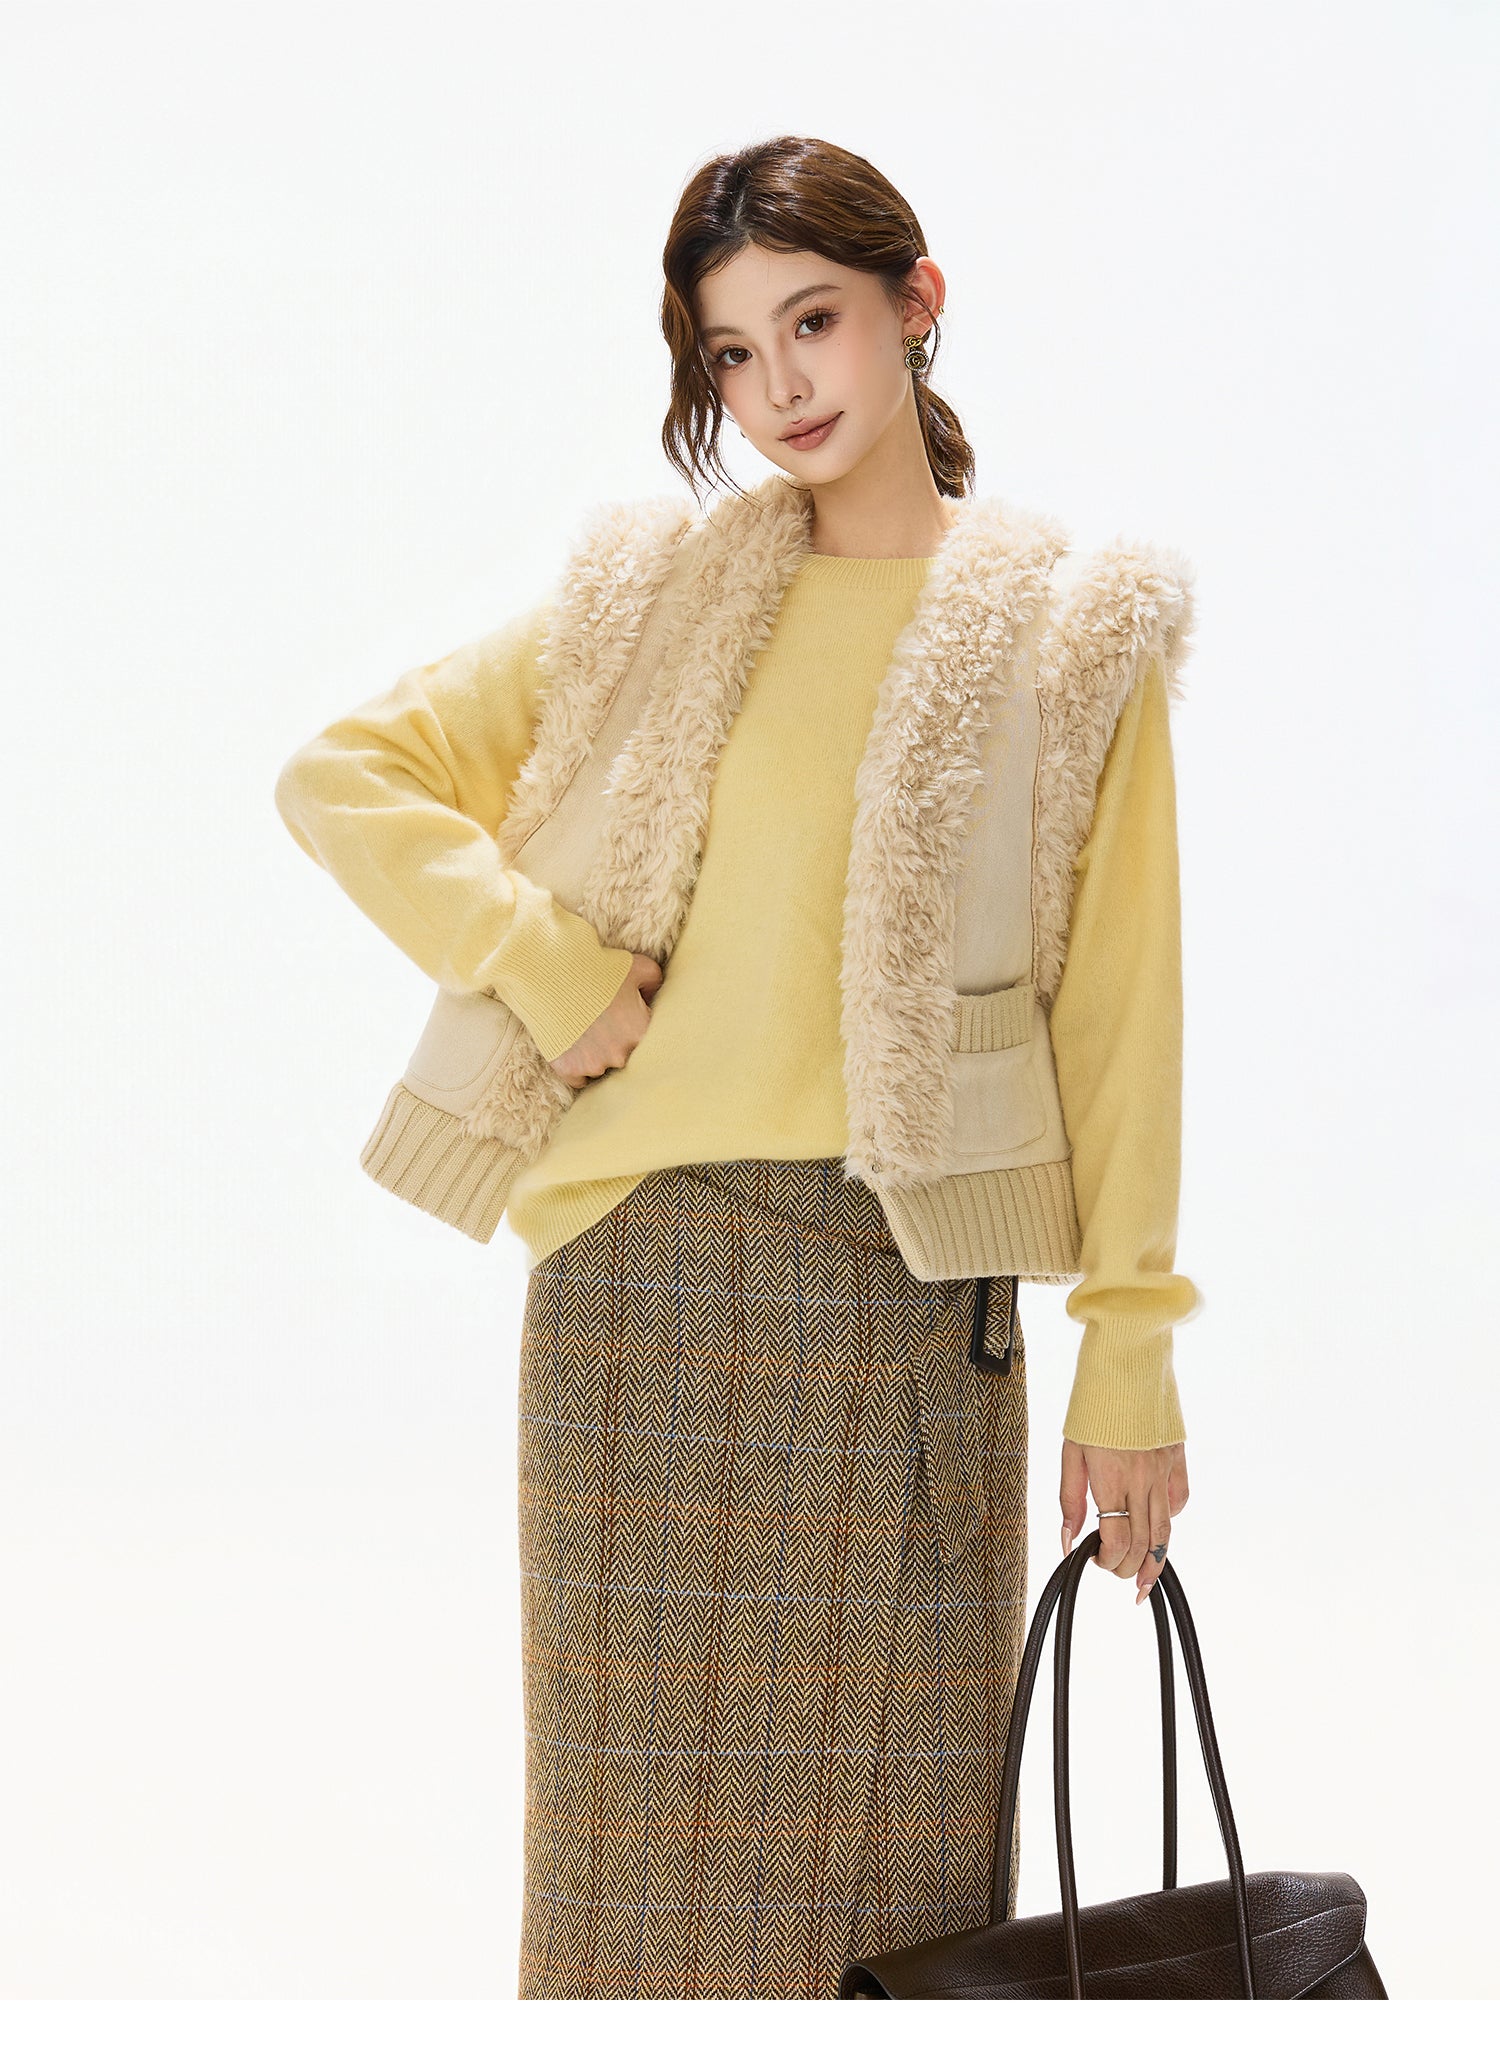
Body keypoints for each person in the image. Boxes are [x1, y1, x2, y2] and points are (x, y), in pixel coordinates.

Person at [274, 133, 1201, 2000]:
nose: (780, 383)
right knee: (627, 1887)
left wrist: (1131, 1351)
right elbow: (342, 775)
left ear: (915, 307)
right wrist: (547, 968)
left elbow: (1121, 1017)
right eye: (731, 350)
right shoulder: (655, 606)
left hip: (904, 1294)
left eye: (813, 321)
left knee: (901, 1895)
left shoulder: (1064, 636)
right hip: (640, 1287)